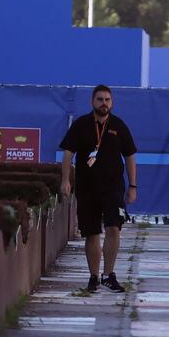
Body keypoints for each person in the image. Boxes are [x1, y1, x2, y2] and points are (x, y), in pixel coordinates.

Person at [60, 85, 137, 293]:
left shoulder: (118, 126)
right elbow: (68, 153)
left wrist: (132, 186)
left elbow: (130, 155)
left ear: (112, 103)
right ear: (92, 102)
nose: (104, 103)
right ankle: (94, 276)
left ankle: (108, 275)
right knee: (92, 233)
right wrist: (65, 180)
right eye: (100, 99)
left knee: (114, 228)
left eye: (107, 100)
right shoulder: (81, 125)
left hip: (113, 188)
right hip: (87, 188)